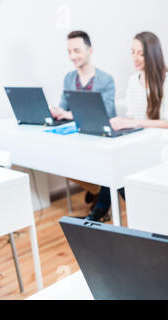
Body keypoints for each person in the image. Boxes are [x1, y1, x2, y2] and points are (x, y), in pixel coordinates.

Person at [85, 31, 168, 222]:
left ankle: (107, 211)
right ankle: (135, 213)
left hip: (162, 146)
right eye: (132, 52)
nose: (135, 58)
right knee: (113, 165)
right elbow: (132, 116)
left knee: (119, 167)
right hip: (140, 141)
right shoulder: (133, 80)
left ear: (152, 54)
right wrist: (122, 123)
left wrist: (134, 123)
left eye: (141, 53)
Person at [51, 30, 117, 207]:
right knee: (55, 159)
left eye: (77, 50)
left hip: (100, 138)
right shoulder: (69, 78)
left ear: (90, 50)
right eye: (69, 52)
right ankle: (96, 189)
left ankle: (99, 192)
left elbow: (106, 112)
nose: (73, 56)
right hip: (76, 137)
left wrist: (69, 115)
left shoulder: (106, 80)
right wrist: (55, 111)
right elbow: (63, 107)